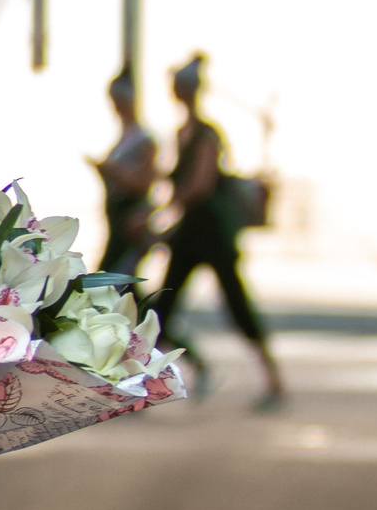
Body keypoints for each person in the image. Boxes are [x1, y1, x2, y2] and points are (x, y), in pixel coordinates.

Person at [151, 53, 287, 408]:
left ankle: (275, 381)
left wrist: (160, 213)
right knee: (163, 306)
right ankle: (158, 379)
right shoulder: (184, 133)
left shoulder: (206, 134)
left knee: (236, 304)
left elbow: (200, 185)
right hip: (190, 235)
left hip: (211, 234)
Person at [92, 70, 159, 280]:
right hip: (116, 218)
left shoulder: (143, 139)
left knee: (109, 279)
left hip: (129, 218)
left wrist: (113, 172)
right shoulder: (125, 137)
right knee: (120, 281)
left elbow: (146, 181)